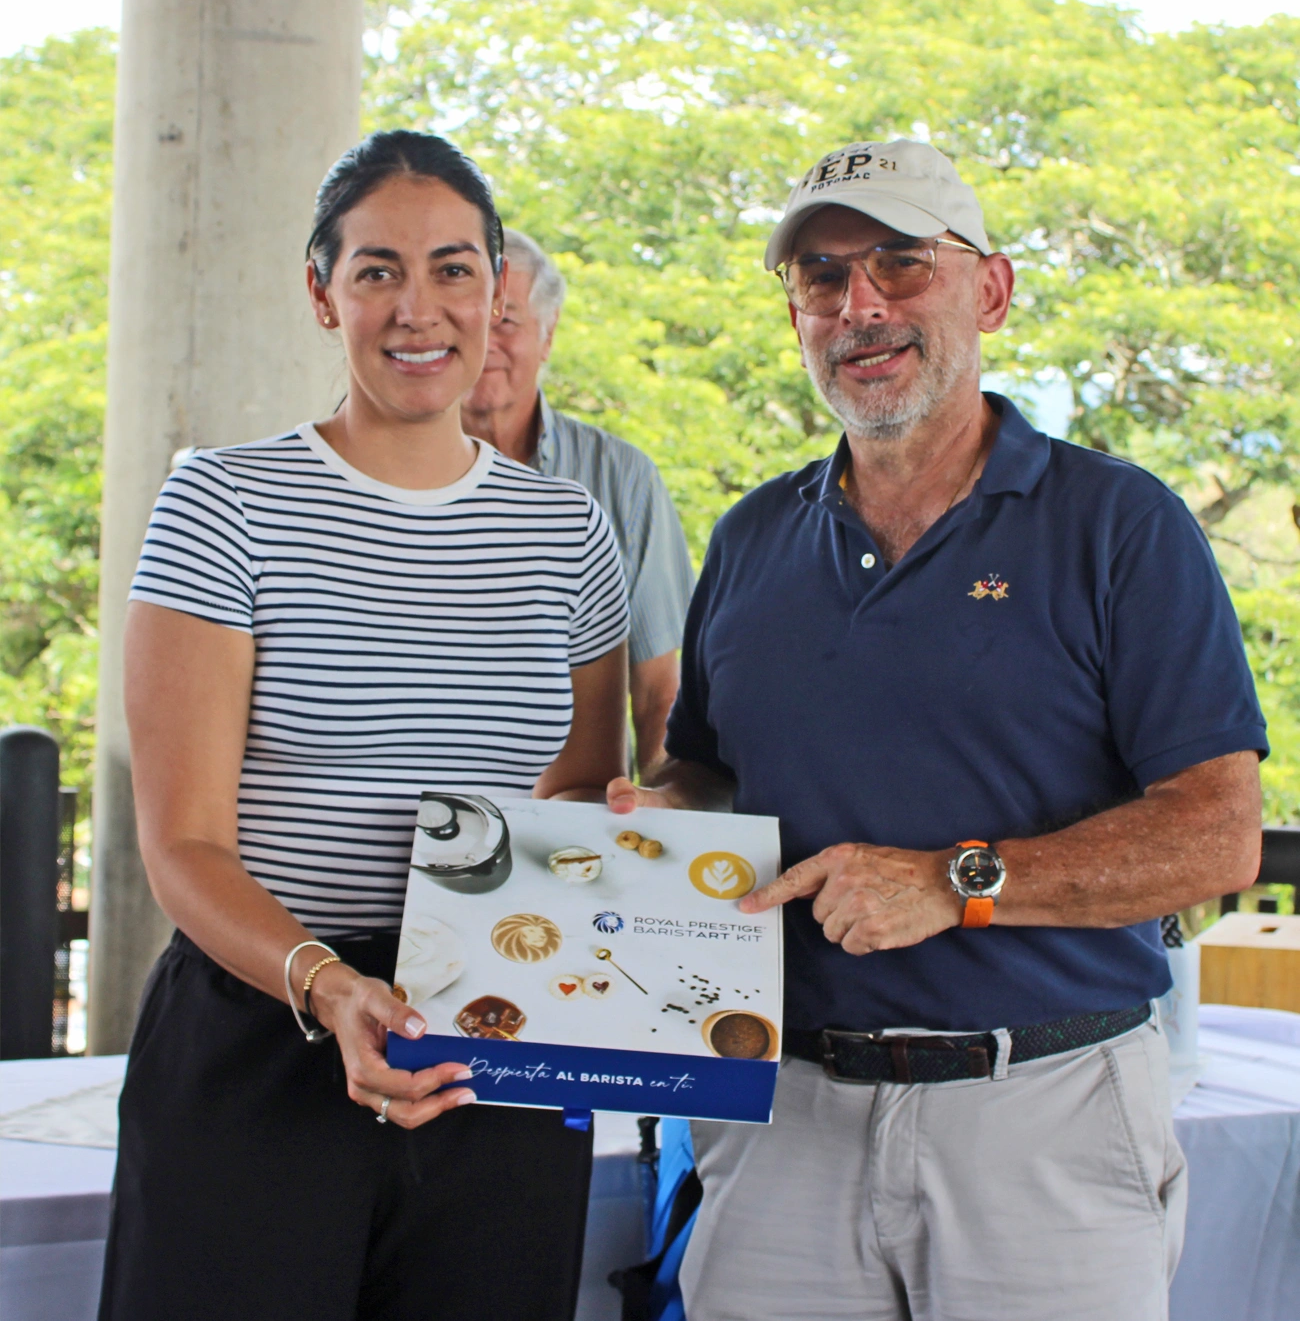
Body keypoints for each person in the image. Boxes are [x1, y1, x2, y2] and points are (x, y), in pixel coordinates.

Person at [607, 140, 1268, 1321]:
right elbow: (709, 770)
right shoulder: (751, 538)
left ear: (990, 291)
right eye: (821, 276)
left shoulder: (1119, 524)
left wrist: (950, 881)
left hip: (1044, 1110)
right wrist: (658, 816)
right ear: (797, 317)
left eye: (901, 262)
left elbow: (1216, 836)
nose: (859, 305)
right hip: (782, 1115)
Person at [99, 130, 629, 1321]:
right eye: (376, 270)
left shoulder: (568, 532)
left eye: (452, 270)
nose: (416, 308)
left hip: (496, 1038)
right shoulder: (224, 503)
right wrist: (332, 986)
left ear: (497, 296)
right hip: (265, 1031)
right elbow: (183, 845)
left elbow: (581, 794)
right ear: (320, 292)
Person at [462, 228, 694, 774]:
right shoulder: (394, 474)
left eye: (506, 321)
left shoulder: (623, 478)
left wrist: (657, 806)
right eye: (470, 319)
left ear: (547, 335)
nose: (485, 341)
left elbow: (658, 692)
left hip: (576, 807)